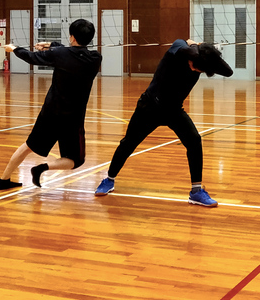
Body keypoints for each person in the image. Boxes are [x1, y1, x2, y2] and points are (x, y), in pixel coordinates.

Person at [94, 39, 233, 207]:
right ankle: (109, 179)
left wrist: (208, 53)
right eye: (195, 66)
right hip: (149, 108)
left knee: (194, 141)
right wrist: (194, 45)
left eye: (199, 70)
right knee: (128, 143)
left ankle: (196, 191)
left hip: (174, 111)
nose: (195, 70)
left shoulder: (200, 59)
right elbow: (184, 44)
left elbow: (228, 71)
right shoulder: (177, 51)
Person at [0, 18, 102, 191]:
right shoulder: (95, 58)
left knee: (28, 147)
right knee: (76, 160)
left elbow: (32, 57)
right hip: (72, 118)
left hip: (50, 113)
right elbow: (69, 52)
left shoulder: (59, 55)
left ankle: (4, 179)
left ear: (72, 37)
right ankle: (42, 168)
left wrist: (14, 49)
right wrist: (50, 45)